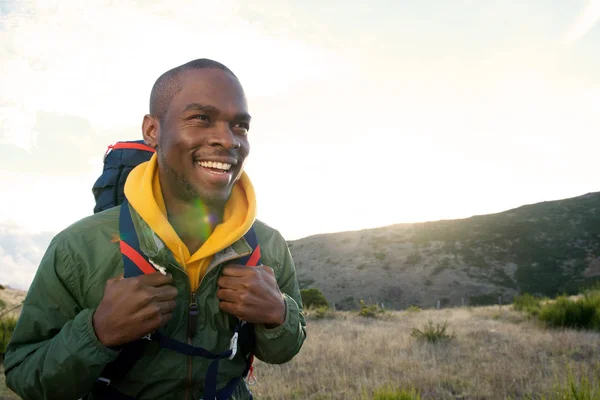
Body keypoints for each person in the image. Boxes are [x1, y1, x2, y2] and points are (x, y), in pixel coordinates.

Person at [4, 58, 307, 400]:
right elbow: (25, 374)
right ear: (152, 130)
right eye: (201, 118)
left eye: (240, 126)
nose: (227, 140)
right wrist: (97, 333)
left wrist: (278, 314)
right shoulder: (79, 248)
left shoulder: (267, 245)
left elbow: (283, 351)